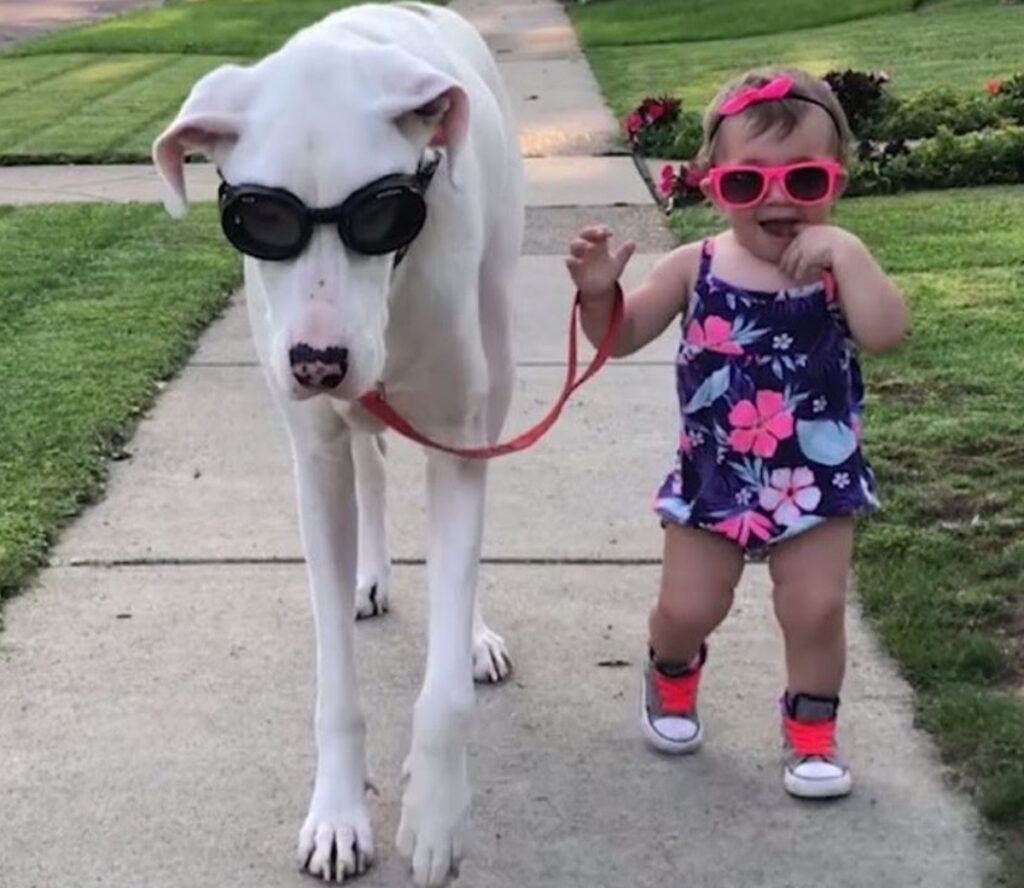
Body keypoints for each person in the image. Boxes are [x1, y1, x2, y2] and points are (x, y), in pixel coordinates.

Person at [565, 67, 909, 798]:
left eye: (805, 181)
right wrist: (600, 296)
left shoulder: (836, 271)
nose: (778, 198)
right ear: (712, 184)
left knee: (813, 610)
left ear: (836, 183)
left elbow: (887, 334)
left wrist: (849, 254)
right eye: (748, 184)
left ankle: (812, 734)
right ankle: (671, 670)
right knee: (691, 607)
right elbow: (620, 337)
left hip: (817, 478)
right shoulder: (696, 266)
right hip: (714, 476)